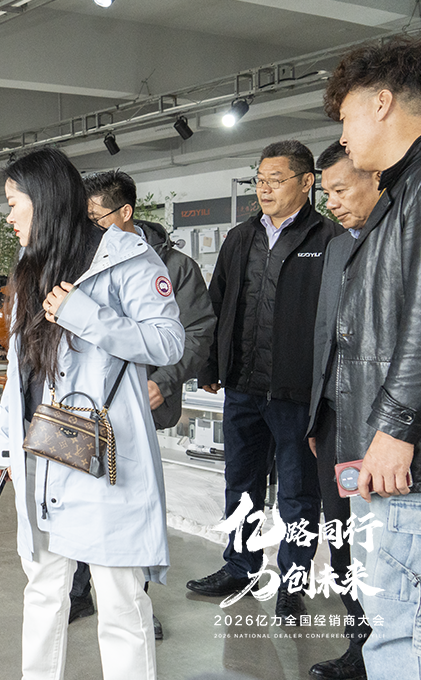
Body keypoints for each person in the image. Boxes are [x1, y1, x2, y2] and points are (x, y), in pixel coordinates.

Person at [0, 147, 183, 680]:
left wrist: (87, 316)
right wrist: (6, 448)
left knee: (119, 597)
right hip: (40, 450)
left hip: (102, 453)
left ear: (45, 200)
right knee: (43, 587)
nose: (8, 217)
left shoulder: (126, 258)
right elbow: (20, 373)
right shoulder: (31, 267)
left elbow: (169, 341)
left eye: (13, 203)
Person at [189, 141, 337, 622]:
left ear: (306, 182)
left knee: (298, 493)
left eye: (276, 179)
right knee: (242, 484)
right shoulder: (240, 237)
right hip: (244, 386)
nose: (265, 189)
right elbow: (216, 303)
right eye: (259, 180)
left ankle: (292, 584)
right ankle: (241, 567)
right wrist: (211, 366)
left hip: (297, 392)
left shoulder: (328, 238)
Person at [66, 170, 216, 637]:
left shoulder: (173, 265)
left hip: (141, 403)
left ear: (125, 212)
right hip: (87, 406)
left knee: (130, 506)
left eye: (96, 217)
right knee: (84, 496)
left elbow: (196, 331)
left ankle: (135, 605)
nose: (89, 226)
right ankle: (78, 592)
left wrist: (163, 383)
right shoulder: (81, 256)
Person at [322, 35, 421, 678]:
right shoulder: (402, 193)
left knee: (398, 631)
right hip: (381, 447)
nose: (344, 134)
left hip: (398, 455)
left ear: (381, 103)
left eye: (347, 115)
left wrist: (395, 428)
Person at [304, 141, 381, 680]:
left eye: (340, 189)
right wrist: (318, 417)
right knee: (343, 534)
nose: (331, 202)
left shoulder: (399, 240)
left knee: (387, 542)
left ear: (375, 179)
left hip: (383, 425)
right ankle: (360, 645)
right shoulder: (335, 248)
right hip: (335, 423)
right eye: (326, 191)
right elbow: (324, 338)